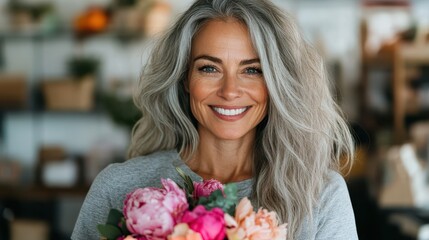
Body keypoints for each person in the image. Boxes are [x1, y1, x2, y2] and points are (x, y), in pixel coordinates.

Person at [72, 0, 358, 239]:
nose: (230, 91)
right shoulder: (119, 188)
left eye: (253, 70)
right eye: (209, 68)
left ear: (278, 84)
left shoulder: (320, 196)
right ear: (184, 78)